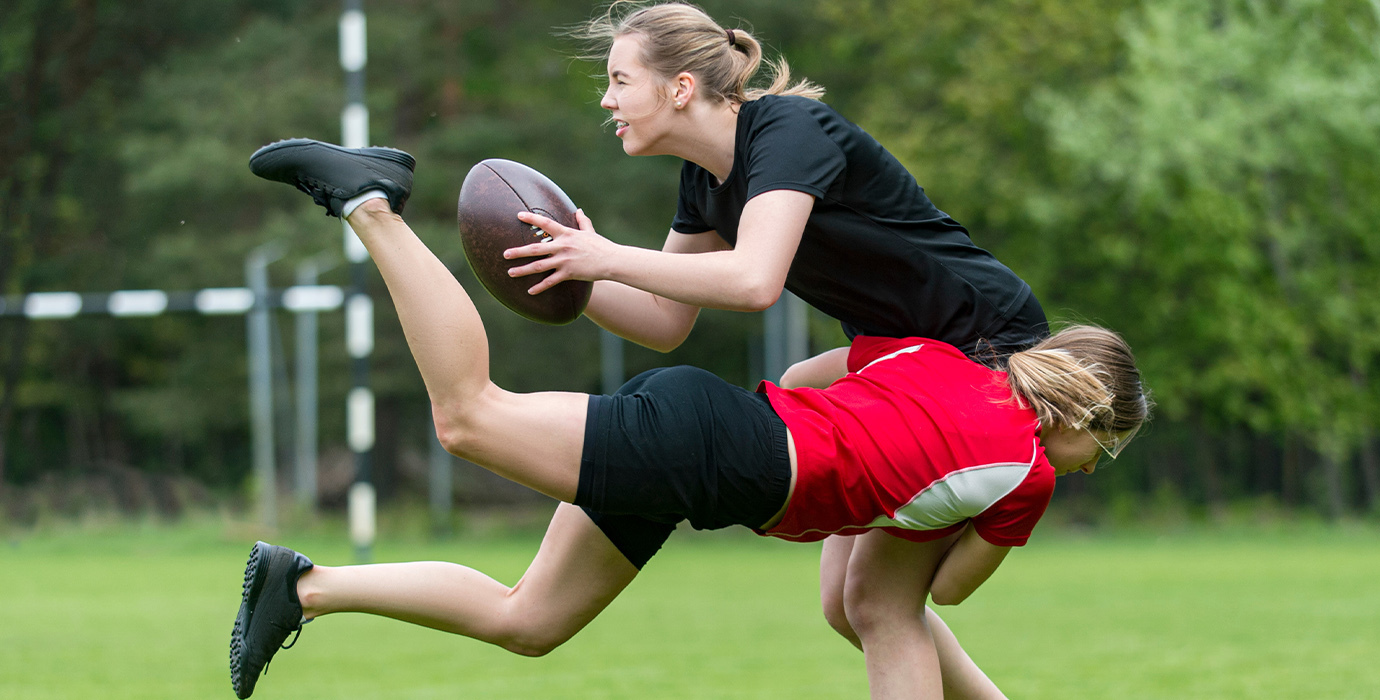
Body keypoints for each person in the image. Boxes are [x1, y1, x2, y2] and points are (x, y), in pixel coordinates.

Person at [233, 139, 1147, 699]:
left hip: (712, 438)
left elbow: (807, 375)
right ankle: (371, 204)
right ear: (1084, 413)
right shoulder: (1024, 482)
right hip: (705, 456)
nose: (1088, 467)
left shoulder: (940, 358)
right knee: (469, 418)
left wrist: (870, 471)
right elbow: (943, 594)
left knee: (531, 620)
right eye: (1099, 451)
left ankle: (301, 588)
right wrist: (896, 500)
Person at [502, 4, 1057, 696]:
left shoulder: (789, 132)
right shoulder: (705, 180)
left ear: (679, 88)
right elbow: (663, 319)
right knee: (848, 605)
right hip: (911, 352)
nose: (606, 99)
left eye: (619, 80)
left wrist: (607, 257)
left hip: (983, 351)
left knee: (880, 607)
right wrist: (563, 272)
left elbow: (753, 279)